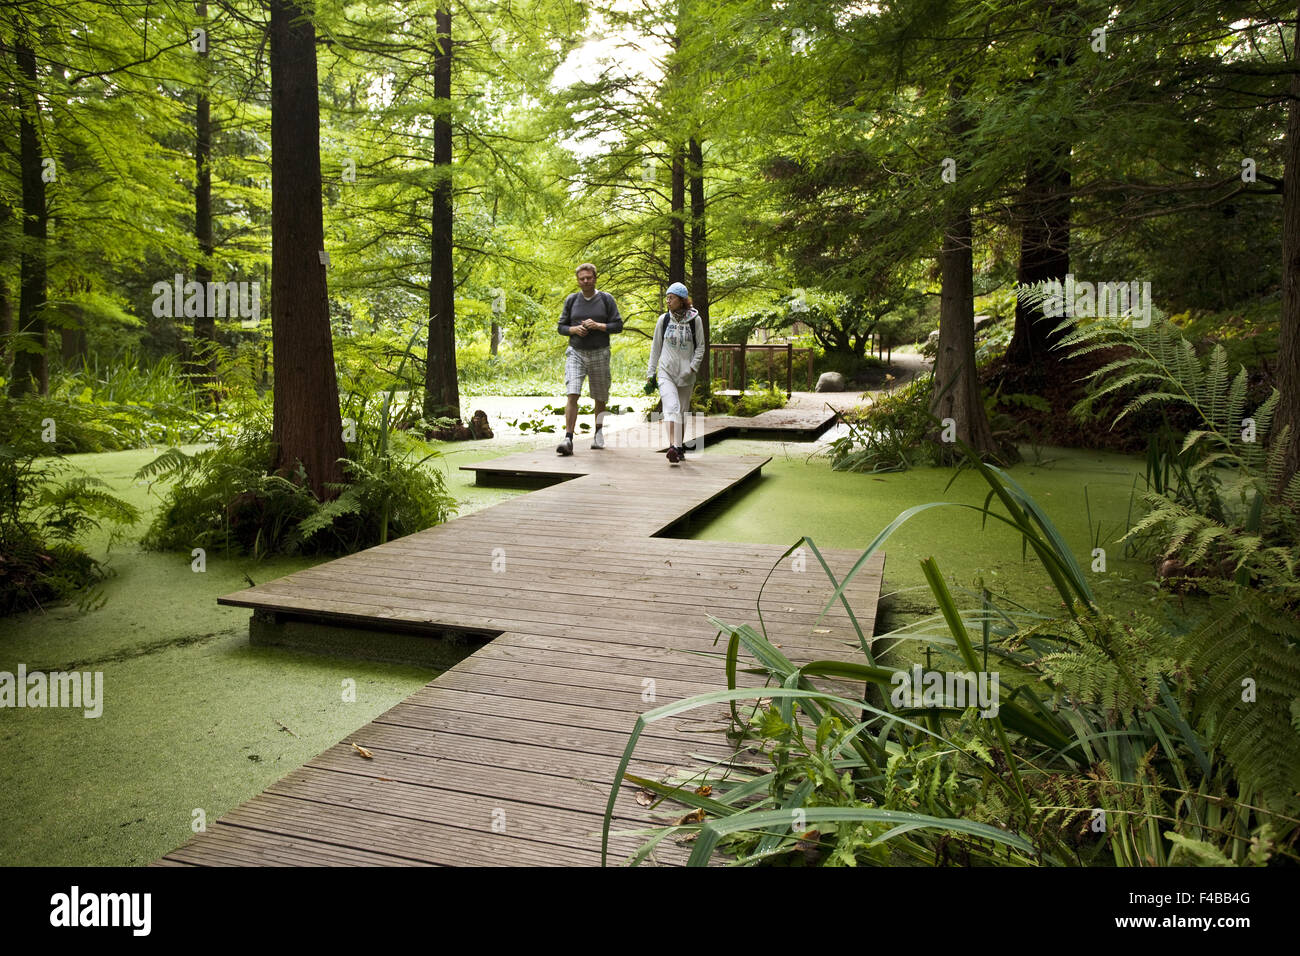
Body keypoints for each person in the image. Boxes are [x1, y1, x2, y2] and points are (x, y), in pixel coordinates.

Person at [556, 262, 623, 455]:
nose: (585, 281)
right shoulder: (571, 300)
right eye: (582, 278)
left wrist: (598, 326)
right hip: (576, 352)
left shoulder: (606, 299)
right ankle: (568, 438)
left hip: (600, 352)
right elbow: (561, 327)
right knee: (572, 392)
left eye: (589, 277)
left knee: (600, 395)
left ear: (595, 278)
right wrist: (574, 329)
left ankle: (598, 433)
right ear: (578, 281)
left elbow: (618, 326)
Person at [646, 282, 705, 464]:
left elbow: (701, 347)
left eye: (671, 298)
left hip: (686, 374)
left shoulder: (695, 320)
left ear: (681, 300)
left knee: (682, 411)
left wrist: (693, 367)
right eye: (667, 298)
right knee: (671, 408)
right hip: (666, 371)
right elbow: (656, 347)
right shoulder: (663, 320)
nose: (668, 301)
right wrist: (651, 372)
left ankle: (679, 447)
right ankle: (672, 446)